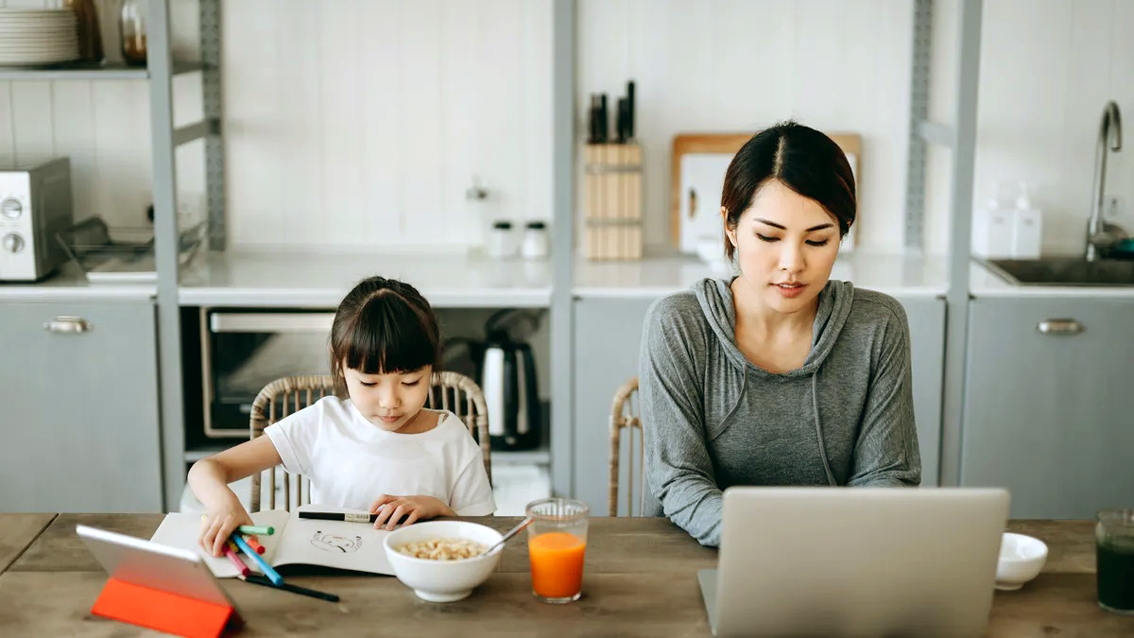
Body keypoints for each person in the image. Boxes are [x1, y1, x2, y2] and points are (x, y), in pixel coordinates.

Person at [640, 121, 921, 547]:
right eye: (769, 236)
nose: (792, 263)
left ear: (842, 233)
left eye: (818, 240)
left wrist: (812, 555)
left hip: (837, 563)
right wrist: (780, 545)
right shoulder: (678, 324)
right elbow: (681, 480)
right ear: (730, 227)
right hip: (704, 559)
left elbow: (886, 477)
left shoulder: (878, 325)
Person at [189, 276, 495, 557]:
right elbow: (207, 469)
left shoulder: (451, 438)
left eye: (411, 382)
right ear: (340, 365)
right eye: (369, 383)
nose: (390, 402)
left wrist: (440, 511)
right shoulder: (322, 424)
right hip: (332, 585)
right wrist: (223, 503)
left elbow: (488, 539)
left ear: (432, 367)